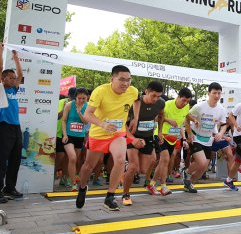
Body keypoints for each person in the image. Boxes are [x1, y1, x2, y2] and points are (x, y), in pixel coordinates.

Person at [75, 65, 138, 211]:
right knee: (88, 166)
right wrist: (103, 124)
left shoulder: (132, 91)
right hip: (99, 133)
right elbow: (88, 114)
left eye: (128, 80)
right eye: (122, 79)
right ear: (112, 79)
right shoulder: (100, 91)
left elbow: (137, 100)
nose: (125, 83)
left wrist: (136, 117)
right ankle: (82, 188)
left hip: (117, 133)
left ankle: (110, 196)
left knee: (121, 160)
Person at [122, 81, 165, 206]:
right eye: (153, 96)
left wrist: (160, 131)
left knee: (143, 169)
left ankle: (126, 168)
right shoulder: (134, 102)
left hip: (148, 136)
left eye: (158, 96)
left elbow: (161, 116)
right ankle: (125, 194)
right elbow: (122, 122)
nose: (156, 99)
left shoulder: (161, 103)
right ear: (146, 91)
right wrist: (132, 138)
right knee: (133, 167)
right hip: (132, 135)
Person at [0, 44, 23, 203]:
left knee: (16, 159)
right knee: (1, 160)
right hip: (4, 128)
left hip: (17, 128)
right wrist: (1, 52)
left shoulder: (14, 90)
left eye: (14, 77)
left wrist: (16, 59)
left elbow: (21, 75)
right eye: (10, 77)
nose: (13, 79)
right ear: (2, 79)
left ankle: (9, 187)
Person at [184, 82, 229, 193]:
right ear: (209, 93)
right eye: (214, 93)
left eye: (219, 93)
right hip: (196, 137)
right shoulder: (199, 106)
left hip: (208, 139)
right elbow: (187, 117)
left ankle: (189, 182)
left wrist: (221, 133)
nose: (217, 96)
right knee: (202, 162)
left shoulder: (221, 109)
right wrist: (190, 133)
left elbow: (224, 125)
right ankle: (187, 172)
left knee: (204, 167)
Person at [152, 87, 192, 197]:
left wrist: (194, 121)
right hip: (161, 135)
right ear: (178, 97)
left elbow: (186, 119)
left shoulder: (186, 107)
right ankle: (163, 186)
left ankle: (152, 184)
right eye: (183, 100)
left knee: (163, 162)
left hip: (173, 138)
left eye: (187, 101)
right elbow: (155, 117)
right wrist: (166, 119)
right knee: (165, 159)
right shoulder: (166, 104)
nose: (185, 103)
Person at [61, 88, 89, 191]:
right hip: (69, 135)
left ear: (87, 98)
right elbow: (63, 120)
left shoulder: (88, 106)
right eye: (79, 98)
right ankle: (73, 183)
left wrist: (80, 113)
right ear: (75, 97)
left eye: (84, 98)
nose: (81, 100)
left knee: (74, 160)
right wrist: (64, 135)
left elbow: (86, 122)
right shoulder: (69, 105)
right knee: (72, 158)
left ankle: (67, 178)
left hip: (80, 136)